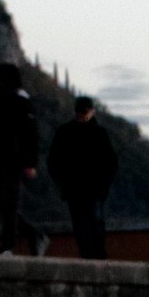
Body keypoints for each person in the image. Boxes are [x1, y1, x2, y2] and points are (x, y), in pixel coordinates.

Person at [0, 62, 43, 255]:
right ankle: (32, 235)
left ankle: (9, 245)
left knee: (10, 201)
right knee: (1, 202)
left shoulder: (21, 100)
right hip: (2, 157)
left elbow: (30, 135)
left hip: (16, 160)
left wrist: (30, 163)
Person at [47, 96, 119, 259]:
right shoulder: (99, 133)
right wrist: (104, 184)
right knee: (95, 223)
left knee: (81, 225)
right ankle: (97, 256)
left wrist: (63, 183)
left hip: (74, 189)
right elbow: (112, 163)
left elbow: (53, 162)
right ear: (91, 111)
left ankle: (87, 255)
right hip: (95, 189)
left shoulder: (64, 132)